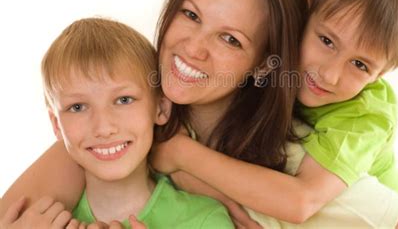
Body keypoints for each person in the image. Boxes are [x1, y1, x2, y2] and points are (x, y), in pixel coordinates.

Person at [0, 0, 398, 228]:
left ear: (265, 64)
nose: (193, 49)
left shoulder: (303, 165)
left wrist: (181, 156)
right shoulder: (126, 116)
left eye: (230, 39)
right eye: (191, 15)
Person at [150, 0, 398, 228]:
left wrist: (179, 153)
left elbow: (301, 201)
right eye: (327, 41)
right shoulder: (280, 77)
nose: (329, 74)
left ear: (379, 75)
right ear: (305, 15)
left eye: (360, 65)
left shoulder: (362, 117)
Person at [2, 17, 233, 228]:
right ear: (56, 124)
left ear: (161, 108)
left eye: (124, 100)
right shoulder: (34, 222)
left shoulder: (205, 220)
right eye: (78, 107)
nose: (103, 128)